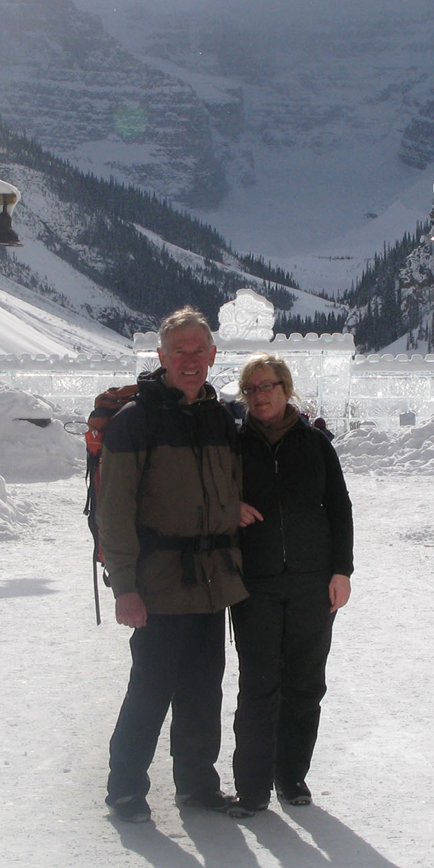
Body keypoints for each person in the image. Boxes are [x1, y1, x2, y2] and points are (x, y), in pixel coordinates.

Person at [96, 307, 248, 823]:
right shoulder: (134, 422)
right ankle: (124, 789)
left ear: (213, 356)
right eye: (178, 351)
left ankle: (197, 785)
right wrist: (124, 587)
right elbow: (113, 513)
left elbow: (224, 489)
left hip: (210, 581)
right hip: (157, 582)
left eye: (197, 350)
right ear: (161, 357)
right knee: (151, 689)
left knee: (203, 690)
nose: (189, 360)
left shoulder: (220, 418)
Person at [229, 354, 353, 818]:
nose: (260, 396)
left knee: (304, 683)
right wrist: (228, 508)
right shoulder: (233, 445)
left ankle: (292, 775)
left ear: (286, 388)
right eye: (251, 389)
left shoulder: (315, 444)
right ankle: (252, 787)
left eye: (268, 386)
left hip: (312, 582)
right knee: (258, 685)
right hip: (255, 583)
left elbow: (339, 507)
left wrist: (342, 570)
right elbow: (209, 495)